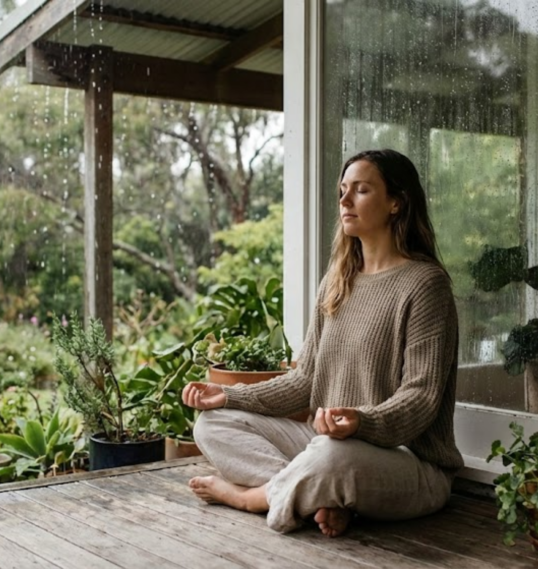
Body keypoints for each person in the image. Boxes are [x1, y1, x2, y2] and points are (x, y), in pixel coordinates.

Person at [181, 149, 463, 538]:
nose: (345, 201)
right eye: (343, 190)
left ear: (396, 202)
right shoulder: (338, 279)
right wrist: (229, 397)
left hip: (409, 463)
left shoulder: (425, 284)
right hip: (327, 445)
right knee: (212, 424)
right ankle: (319, 498)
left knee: (331, 455)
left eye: (361, 190)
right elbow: (305, 380)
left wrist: (363, 422)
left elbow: (421, 396)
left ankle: (254, 497)